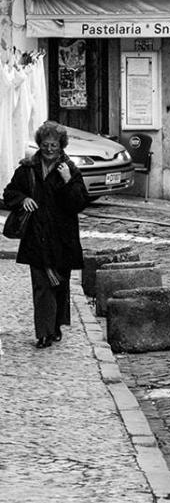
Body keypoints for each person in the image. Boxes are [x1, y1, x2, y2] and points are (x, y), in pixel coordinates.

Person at [3, 120, 90, 349]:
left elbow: (79, 203)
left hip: (62, 239)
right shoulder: (28, 169)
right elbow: (9, 192)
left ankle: (56, 326)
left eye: (54, 145)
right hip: (36, 237)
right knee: (42, 286)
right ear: (39, 144)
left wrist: (67, 181)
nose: (49, 149)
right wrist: (24, 199)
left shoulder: (69, 169)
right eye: (45, 144)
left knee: (60, 284)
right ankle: (43, 333)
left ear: (61, 146)